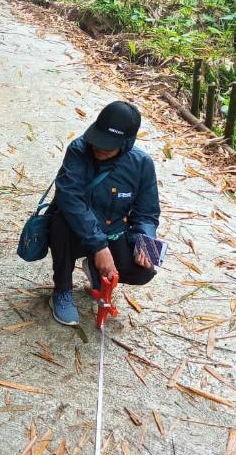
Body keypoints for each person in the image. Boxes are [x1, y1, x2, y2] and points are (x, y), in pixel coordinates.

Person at [48, 100, 160, 326]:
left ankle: (93, 268)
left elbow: (146, 213)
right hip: (77, 229)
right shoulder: (78, 150)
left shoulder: (142, 164)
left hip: (113, 230)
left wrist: (144, 241)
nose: (99, 147)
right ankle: (62, 290)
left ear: (127, 143)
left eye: (108, 145)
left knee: (144, 271)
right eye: (97, 140)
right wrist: (99, 247)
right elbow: (70, 198)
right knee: (60, 221)